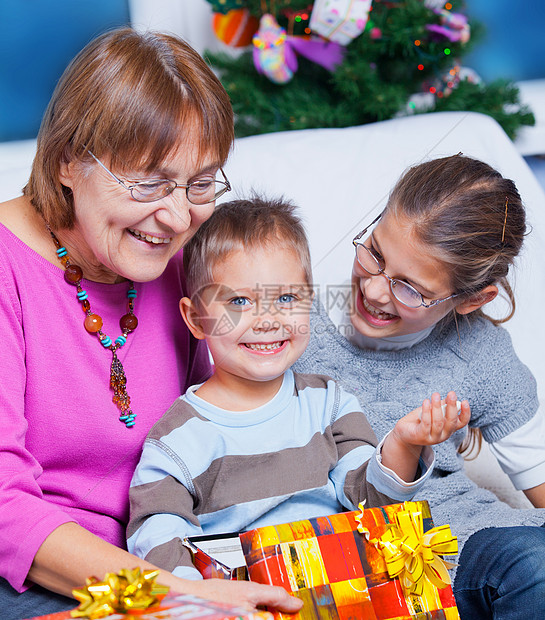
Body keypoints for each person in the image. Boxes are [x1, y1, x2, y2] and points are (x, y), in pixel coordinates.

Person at [0, 27, 302, 619]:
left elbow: (236, 404)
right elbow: (4, 511)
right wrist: (178, 593)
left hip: (176, 551)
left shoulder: (182, 260)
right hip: (42, 579)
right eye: (148, 182)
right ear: (68, 160)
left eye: (199, 183)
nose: (176, 215)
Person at [127, 197, 469, 579]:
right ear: (196, 318)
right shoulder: (176, 443)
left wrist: (405, 445)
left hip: (343, 587)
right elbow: (158, 542)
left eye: (287, 298)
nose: (269, 320)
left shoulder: (332, 405)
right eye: (240, 301)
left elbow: (371, 505)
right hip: (246, 598)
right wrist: (207, 596)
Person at [292, 154, 545, 619]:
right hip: (351, 562)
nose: (373, 291)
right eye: (374, 253)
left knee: (537, 565)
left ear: (472, 299)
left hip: (465, 545)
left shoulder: (481, 354)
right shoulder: (288, 326)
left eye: (410, 288)